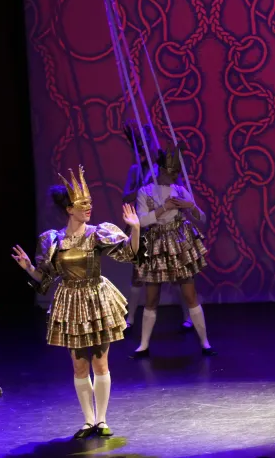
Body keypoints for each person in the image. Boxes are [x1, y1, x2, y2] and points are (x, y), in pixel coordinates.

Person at [11, 166, 141, 438]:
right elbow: (45, 278)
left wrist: (136, 229)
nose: (89, 208)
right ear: (69, 209)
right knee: (79, 365)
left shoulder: (97, 233)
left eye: (90, 203)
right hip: (70, 301)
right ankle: (88, 420)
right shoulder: (53, 240)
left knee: (100, 363)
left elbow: (129, 253)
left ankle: (102, 420)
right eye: (83, 204)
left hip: (96, 298)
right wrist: (28, 268)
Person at [132, 146, 214, 358]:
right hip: (156, 244)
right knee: (152, 297)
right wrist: (163, 208)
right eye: (171, 171)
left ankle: (205, 342)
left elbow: (202, 217)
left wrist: (190, 206)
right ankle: (143, 345)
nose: (175, 176)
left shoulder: (180, 190)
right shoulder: (145, 191)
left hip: (178, 243)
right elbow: (141, 221)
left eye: (177, 172)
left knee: (190, 294)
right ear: (161, 169)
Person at [121, 123, 192, 331]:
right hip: (146, 228)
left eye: (147, 142)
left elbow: (178, 189)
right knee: (138, 274)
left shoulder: (164, 167)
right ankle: (130, 318)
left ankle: (188, 315)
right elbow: (126, 197)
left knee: (178, 274)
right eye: (140, 143)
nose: (144, 147)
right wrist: (142, 187)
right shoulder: (136, 170)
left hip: (168, 228)